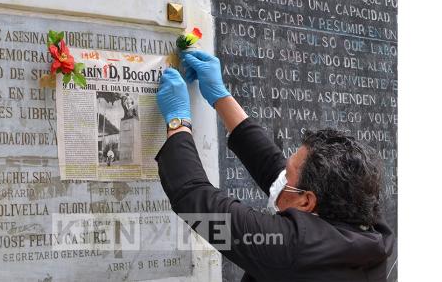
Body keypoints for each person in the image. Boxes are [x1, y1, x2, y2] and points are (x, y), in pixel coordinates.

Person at [155, 50, 394, 282]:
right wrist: (221, 97)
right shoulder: (368, 228)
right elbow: (273, 167)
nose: (280, 177)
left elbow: (195, 198)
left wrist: (178, 120)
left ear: (307, 201)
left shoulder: (293, 248)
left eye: (287, 175)